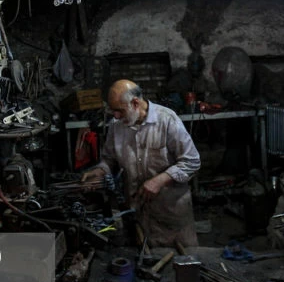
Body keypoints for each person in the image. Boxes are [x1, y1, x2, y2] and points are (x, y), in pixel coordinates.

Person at [81, 79, 201, 247]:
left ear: (135, 103)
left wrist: (160, 180)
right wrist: (100, 171)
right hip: (138, 215)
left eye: (119, 110)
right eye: (113, 110)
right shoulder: (116, 126)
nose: (115, 116)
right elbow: (109, 159)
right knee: (143, 257)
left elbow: (192, 161)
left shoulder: (167, 120)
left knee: (183, 259)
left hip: (170, 214)